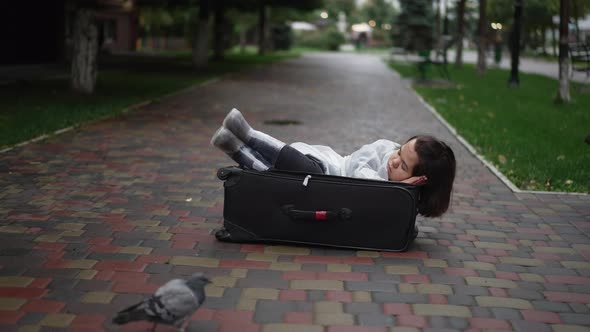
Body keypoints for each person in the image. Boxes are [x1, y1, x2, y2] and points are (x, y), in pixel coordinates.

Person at [211, 109, 456, 218]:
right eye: (400, 152)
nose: (394, 161)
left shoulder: (405, 199)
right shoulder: (384, 149)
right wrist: (398, 184)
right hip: (327, 171)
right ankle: (249, 134)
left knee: (276, 178)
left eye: (403, 166)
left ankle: (236, 148)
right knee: (308, 172)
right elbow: (359, 176)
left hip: (322, 196)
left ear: (420, 181)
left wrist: (406, 190)